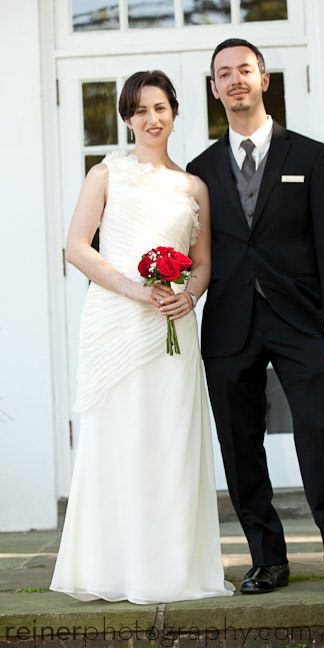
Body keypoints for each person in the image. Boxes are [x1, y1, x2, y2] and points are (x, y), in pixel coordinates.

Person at [186, 38, 324, 595]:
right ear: (215, 88)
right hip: (228, 322)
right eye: (224, 74)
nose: (235, 80)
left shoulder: (310, 156)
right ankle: (267, 559)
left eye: (245, 69)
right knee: (239, 445)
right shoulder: (200, 170)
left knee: (319, 432)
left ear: (264, 79)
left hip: (300, 319)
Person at [50, 71, 233, 603]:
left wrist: (189, 295)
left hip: (173, 323)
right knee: (120, 437)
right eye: (141, 110)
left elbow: (203, 265)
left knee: (171, 440)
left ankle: (172, 568)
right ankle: (115, 568)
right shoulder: (105, 174)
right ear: (128, 118)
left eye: (162, 108)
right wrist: (134, 289)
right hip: (118, 317)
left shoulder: (193, 186)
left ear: (175, 113)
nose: (153, 119)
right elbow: (77, 248)